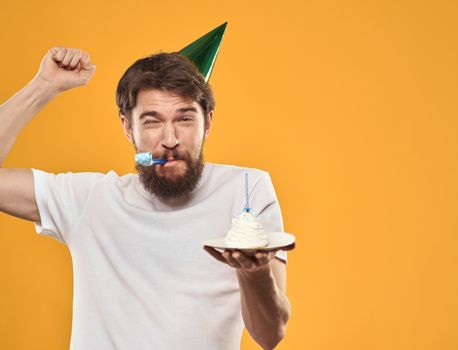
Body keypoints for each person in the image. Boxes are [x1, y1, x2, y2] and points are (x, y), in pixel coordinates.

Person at [0, 46, 291, 350]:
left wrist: (253, 272)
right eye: (152, 121)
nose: (170, 140)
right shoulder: (90, 200)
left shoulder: (246, 189)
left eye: (185, 119)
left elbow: (270, 335)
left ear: (208, 122)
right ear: (128, 127)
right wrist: (42, 88)